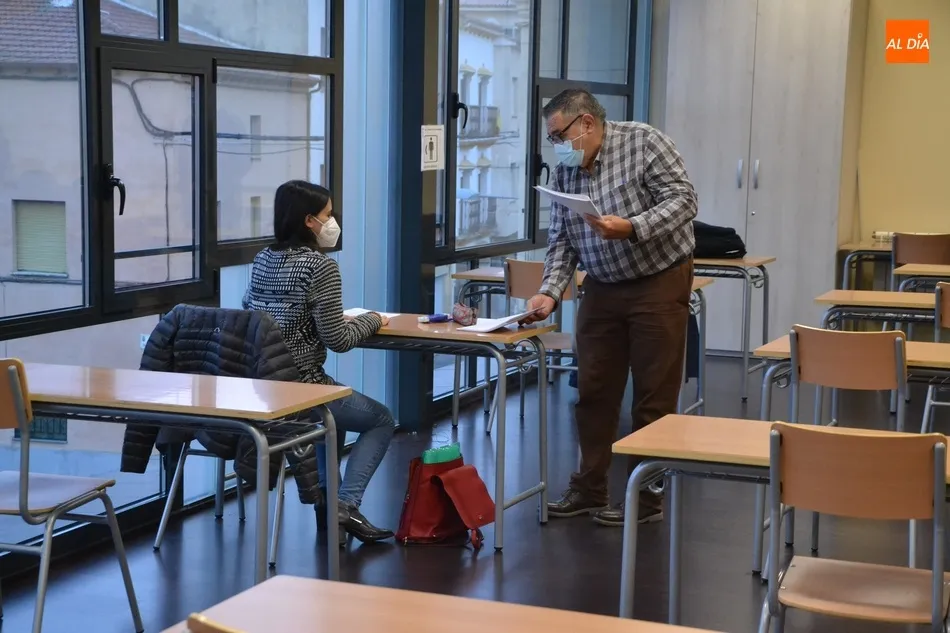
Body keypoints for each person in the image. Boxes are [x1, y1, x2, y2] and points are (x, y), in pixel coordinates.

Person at [522, 89, 698, 527]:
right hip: (601, 285)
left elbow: (683, 201)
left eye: (558, 135)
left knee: (653, 396)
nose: (556, 146)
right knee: (593, 391)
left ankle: (647, 498)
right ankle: (589, 487)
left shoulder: (644, 142)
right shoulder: (567, 171)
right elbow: (562, 238)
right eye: (551, 138)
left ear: (586, 123)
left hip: (659, 279)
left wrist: (633, 227)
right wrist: (549, 292)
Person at [243, 179, 396, 544]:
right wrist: (373, 319)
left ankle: (328, 512)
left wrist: (314, 317)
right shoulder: (320, 266)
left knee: (333, 425)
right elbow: (339, 341)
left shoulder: (262, 259)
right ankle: (346, 505)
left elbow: (256, 312)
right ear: (309, 220)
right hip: (304, 388)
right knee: (381, 419)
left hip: (264, 385)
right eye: (328, 215)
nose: (333, 221)